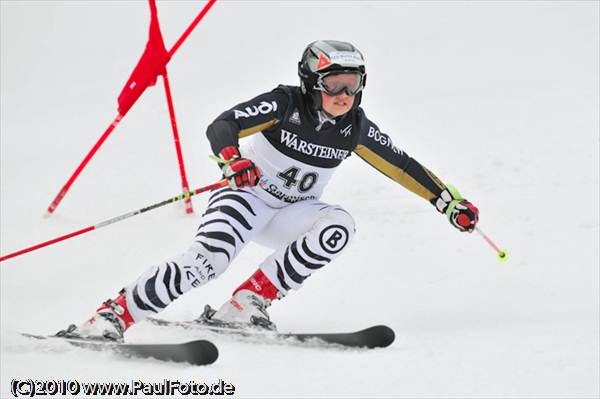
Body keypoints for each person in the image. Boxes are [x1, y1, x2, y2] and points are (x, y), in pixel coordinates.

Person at [59, 40, 479, 341]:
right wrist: (232, 159)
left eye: (352, 85)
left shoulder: (355, 129)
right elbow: (223, 124)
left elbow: (403, 166)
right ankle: (112, 316)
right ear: (313, 82)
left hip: (293, 214)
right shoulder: (285, 103)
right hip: (246, 198)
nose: (344, 96)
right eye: (334, 85)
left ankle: (245, 305)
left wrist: (447, 201)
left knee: (338, 227)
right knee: (208, 264)